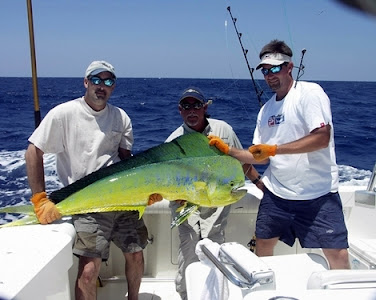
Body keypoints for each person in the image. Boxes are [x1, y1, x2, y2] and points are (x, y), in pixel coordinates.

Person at [209, 40, 350, 270]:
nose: (269, 75)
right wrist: (229, 152)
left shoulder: (310, 93)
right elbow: (260, 157)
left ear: (289, 67)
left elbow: (322, 137)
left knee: (338, 255)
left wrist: (276, 149)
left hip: (318, 194)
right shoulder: (265, 111)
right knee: (263, 244)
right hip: (277, 195)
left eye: (275, 68)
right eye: (265, 70)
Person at [25, 60, 148, 300]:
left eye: (108, 81)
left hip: (123, 202)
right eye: (96, 80)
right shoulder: (63, 114)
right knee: (89, 271)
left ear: (114, 87)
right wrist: (40, 198)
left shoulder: (121, 118)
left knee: (136, 255)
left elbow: (127, 163)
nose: (102, 86)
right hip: (87, 204)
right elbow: (33, 151)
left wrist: (145, 192)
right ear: (86, 82)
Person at [166, 87, 263, 300]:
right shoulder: (173, 142)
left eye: (196, 105)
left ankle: (217, 294)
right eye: (186, 106)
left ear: (205, 107)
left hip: (216, 203)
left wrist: (260, 184)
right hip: (186, 204)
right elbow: (167, 183)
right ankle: (186, 295)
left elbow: (243, 162)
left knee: (216, 252)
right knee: (190, 252)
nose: (192, 110)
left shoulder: (224, 130)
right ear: (179, 110)